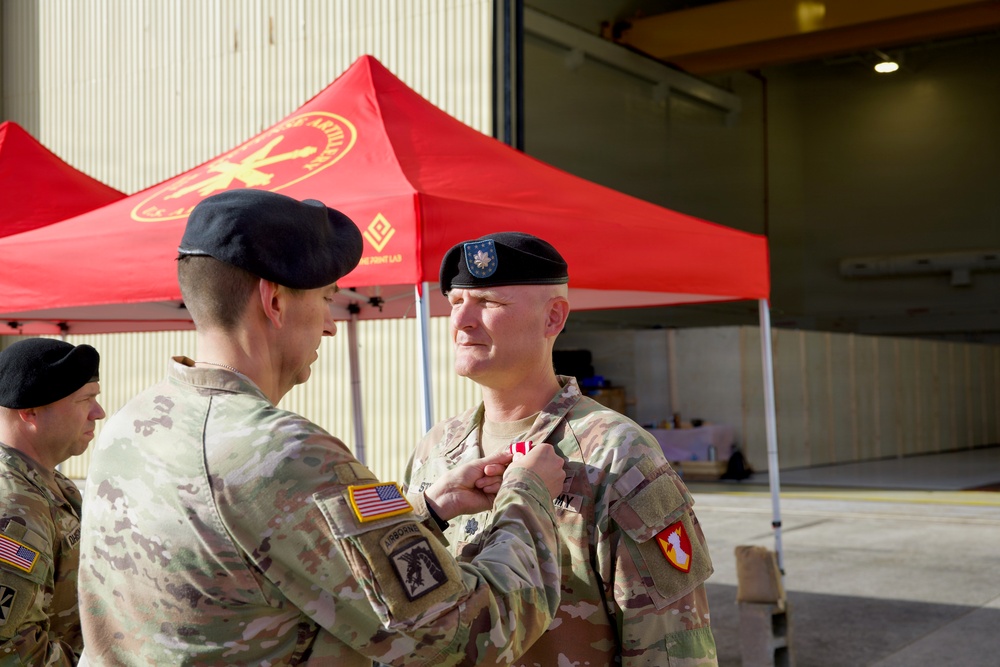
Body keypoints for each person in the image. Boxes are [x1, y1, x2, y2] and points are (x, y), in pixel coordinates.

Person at [77, 189, 566, 666]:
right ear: (274, 301)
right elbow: (465, 639)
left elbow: (286, 547)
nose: (330, 325)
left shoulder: (130, 426)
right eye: (327, 298)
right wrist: (529, 499)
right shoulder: (282, 453)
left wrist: (429, 509)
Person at [404, 232, 719, 665]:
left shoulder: (615, 452)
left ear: (553, 318)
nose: (461, 322)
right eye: (456, 303)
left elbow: (672, 647)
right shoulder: (436, 450)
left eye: (488, 303)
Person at [0, 338, 104, 665]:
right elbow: (12, 651)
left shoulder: (49, 482)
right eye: (85, 400)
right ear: (31, 411)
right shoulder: (12, 507)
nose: (98, 413)